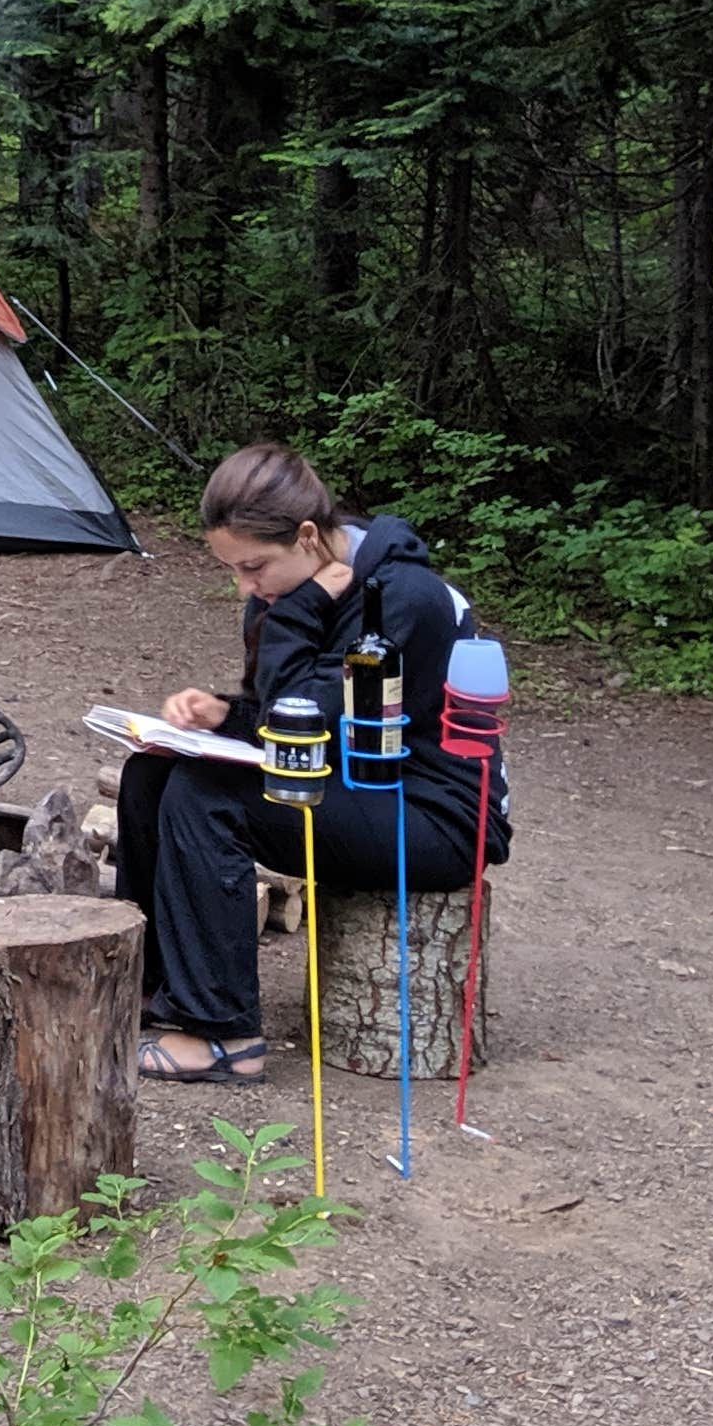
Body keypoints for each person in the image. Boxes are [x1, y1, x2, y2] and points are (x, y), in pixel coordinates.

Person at [116, 441, 512, 1083]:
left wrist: (297, 612)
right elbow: (293, 718)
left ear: (307, 536)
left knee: (205, 795)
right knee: (151, 772)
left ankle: (223, 1037)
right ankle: (148, 988)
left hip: (436, 815)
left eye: (254, 568)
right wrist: (222, 715)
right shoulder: (295, 586)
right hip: (355, 777)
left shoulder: (401, 596)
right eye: (235, 572)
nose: (247, 588)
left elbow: (305, 713)